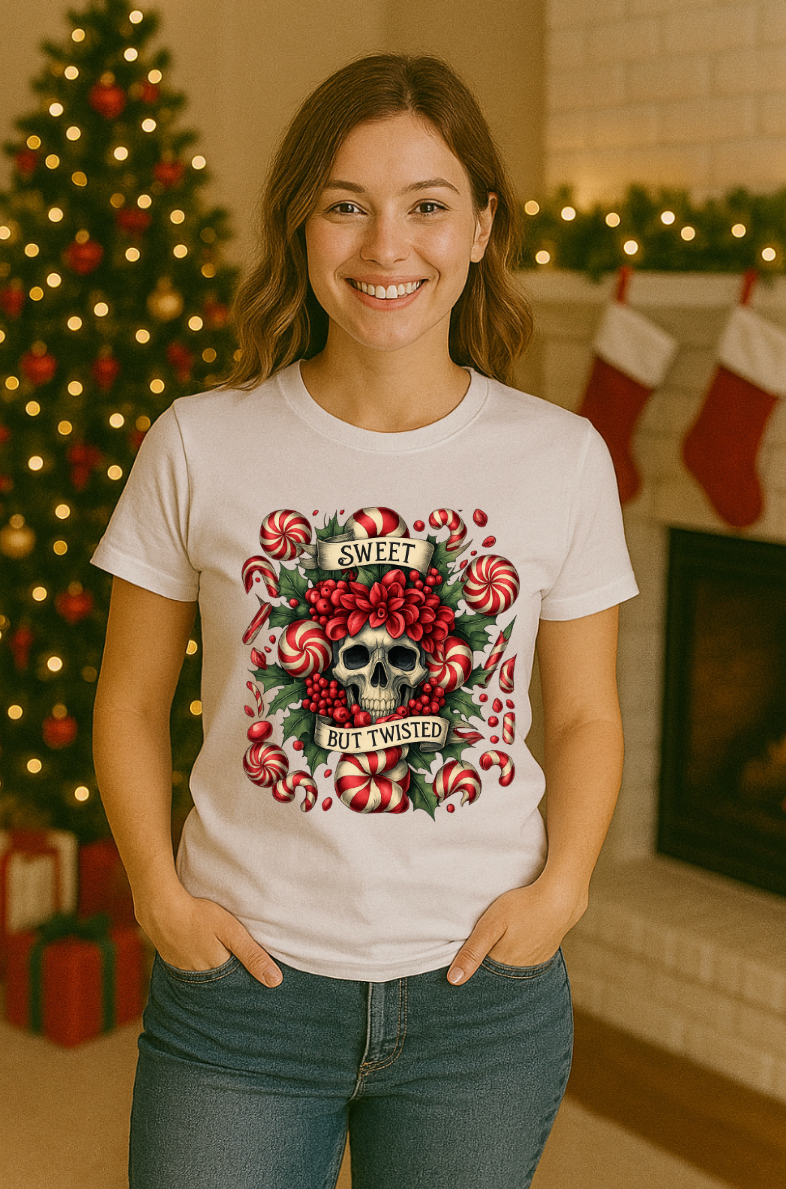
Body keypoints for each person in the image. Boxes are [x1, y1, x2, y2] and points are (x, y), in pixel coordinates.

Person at [91, 52, 638, 1189]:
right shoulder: (199, 439)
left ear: (482, 226)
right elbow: (131, 698)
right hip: (243, 996)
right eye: (348, 205)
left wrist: (564, 889)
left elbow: (584, 713)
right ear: (299, 223)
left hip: (478, 1002)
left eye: (427, 206)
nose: (388, 247)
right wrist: (157, 888)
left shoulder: (562, 458)